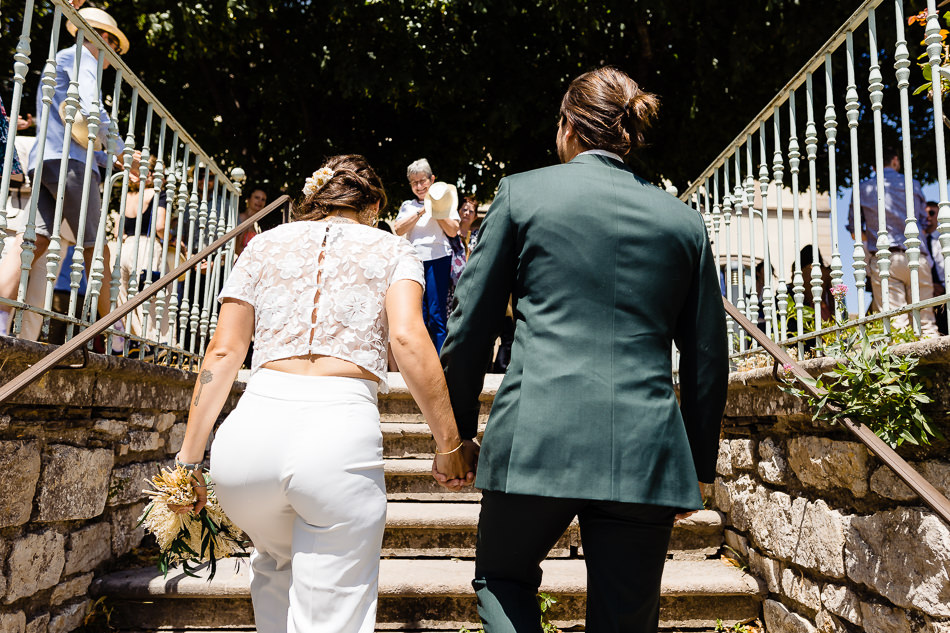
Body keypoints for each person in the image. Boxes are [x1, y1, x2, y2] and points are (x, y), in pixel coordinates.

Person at [440, 66, 729, 632]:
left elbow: (470, 324)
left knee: (503, 579)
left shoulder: (521, 195)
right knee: (626, 620)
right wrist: (697, 465)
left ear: (569, 128)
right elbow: (707, 358)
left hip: (535, 435)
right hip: (645, 449)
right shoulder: (684, 222)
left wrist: (457, 434)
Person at [169, 155, 474, 633]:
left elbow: (223, 351)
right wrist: (449, 445)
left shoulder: (264, 243)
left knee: (275, 568)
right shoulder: (393, 249)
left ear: (314, 197)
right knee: (332, 616)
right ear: (374, 206)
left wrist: (187, 464)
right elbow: (409, 339)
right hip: (336, 438)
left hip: (247, 444)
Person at [0, 7, 134, 337]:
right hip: (70, 163)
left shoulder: (61, 59)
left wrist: (107, 156)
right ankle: (116, 332)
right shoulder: (81, 56)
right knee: (95, 246)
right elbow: (90, 109)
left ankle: (0, 318)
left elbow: (72, 126)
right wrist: (122, 151)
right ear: (102, 38)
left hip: (46, 159)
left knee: (34, 239)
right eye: (113, 44)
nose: (114, 53)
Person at [846, 148, 939, 337]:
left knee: (897, 326)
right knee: (926, 322)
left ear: (873, 167)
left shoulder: (863, 189)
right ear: (895, 160)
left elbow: (855, 231)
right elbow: (923, 223)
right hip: (917, 254)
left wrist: (872, 240)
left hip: (884, 257)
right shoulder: (912, 184)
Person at [393, 159, 460, 352]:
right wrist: (422, 211)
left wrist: (436, 208)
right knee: (417, 314)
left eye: (423, 181)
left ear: (432, 180)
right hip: (414, 261)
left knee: (437, 313)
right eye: (414, 182)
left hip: (438, 259)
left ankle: (440, 360)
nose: (419, 186)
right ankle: (419, 358)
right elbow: (398, 229)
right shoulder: (408, 205)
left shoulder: (446, 202)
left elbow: (453, 230)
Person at [921, 201, 947, 334]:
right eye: (924, 213)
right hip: (927, 291)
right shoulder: (919, 242)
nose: (927, 217)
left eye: (931, 213)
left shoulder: (945, 239)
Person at [236, 187, 266, 256]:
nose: (260, 202)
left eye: (263, 199)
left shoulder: (256, 223)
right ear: (248, 200)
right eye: (257, 198)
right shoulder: (243, 218)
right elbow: (237, 248)